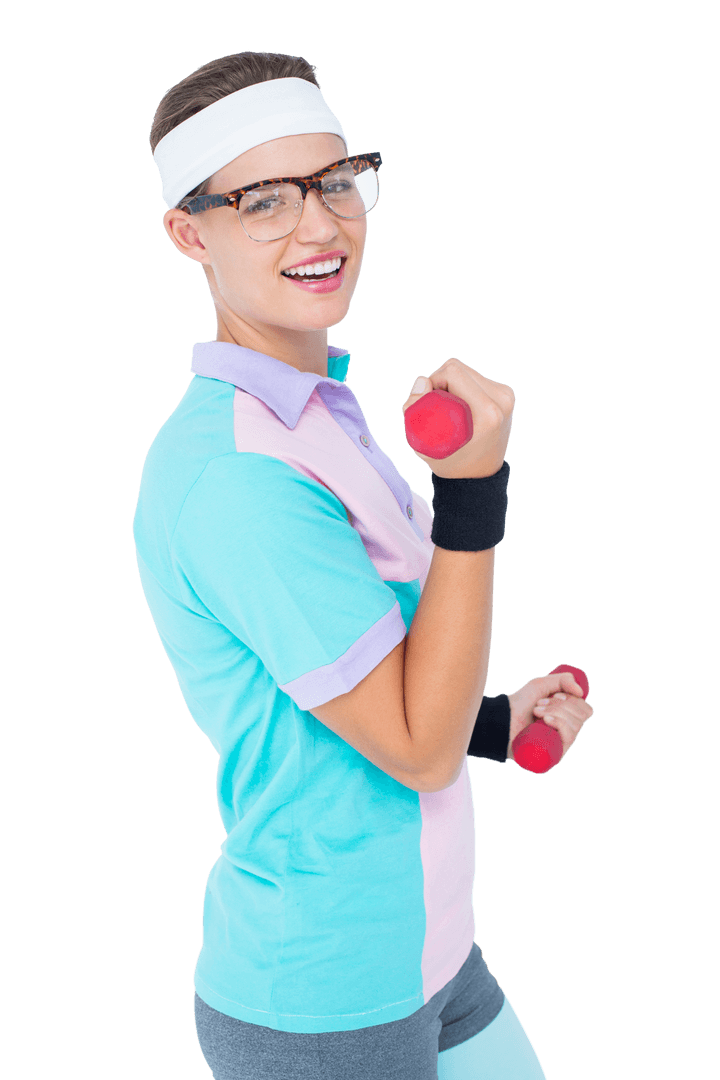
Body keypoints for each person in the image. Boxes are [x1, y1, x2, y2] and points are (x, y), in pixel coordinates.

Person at [133, 50, 593, 1080]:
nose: (320, 225)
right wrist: (471, 497)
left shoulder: (320, 413)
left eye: (335, 181)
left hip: (434, 951)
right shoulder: (235, 476)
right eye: (262, 199)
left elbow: (343, 687)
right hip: (323, 1004)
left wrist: (489, 721)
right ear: (187, 231)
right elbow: (411, 752)